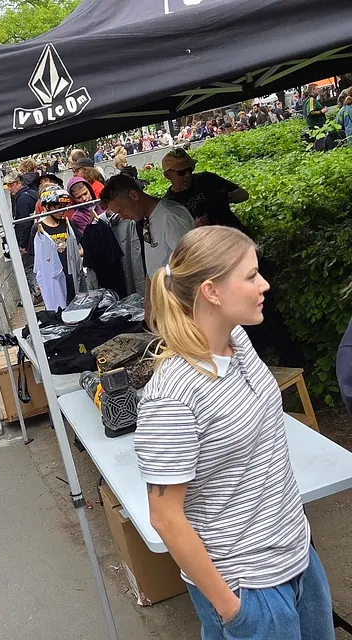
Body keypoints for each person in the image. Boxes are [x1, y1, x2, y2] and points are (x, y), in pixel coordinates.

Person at [134, 226, 334, 640]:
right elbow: (165, 517)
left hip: (297, 555)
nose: (264, 284)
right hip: (247, 588)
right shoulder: (172, 396)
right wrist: (232, 610)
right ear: (211, 292)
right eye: (251, 276)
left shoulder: (238, 339)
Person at [100, 174, 193, 319]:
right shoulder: (146, 218)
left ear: (133, 196)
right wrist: (149, 308)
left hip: (181, 305)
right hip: (166, 304)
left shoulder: (169, 216)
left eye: (121, 210)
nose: (122, 217)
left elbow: (192, 265)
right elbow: (152, 269)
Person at [162, 148, 250, 233]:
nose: (188, 175)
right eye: (181, 172)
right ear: (167, 175)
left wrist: (223, 198)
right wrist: (194, 228)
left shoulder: (206, 179)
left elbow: (244, 194)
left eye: (190, 169)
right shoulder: (169, 204)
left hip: (234, 233)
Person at [28, 185, 81, 307]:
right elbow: (35, 259)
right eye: (58, 208)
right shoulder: (38, 229)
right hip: (52, 278)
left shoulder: (68, 223)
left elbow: (80, 247)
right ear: (47, 207)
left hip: (72, 275)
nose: (62, 211)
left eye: (64, 207)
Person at [3, 172, 40, 300]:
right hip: (35, 236)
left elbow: (24, 223)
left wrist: (23, 244)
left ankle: (38, 292)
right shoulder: (32, 193)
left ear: (19, 183)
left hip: (29, 240)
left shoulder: (22, 199)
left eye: (11, 185)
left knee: (29, 268)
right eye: (8, 185)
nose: (9, 188)